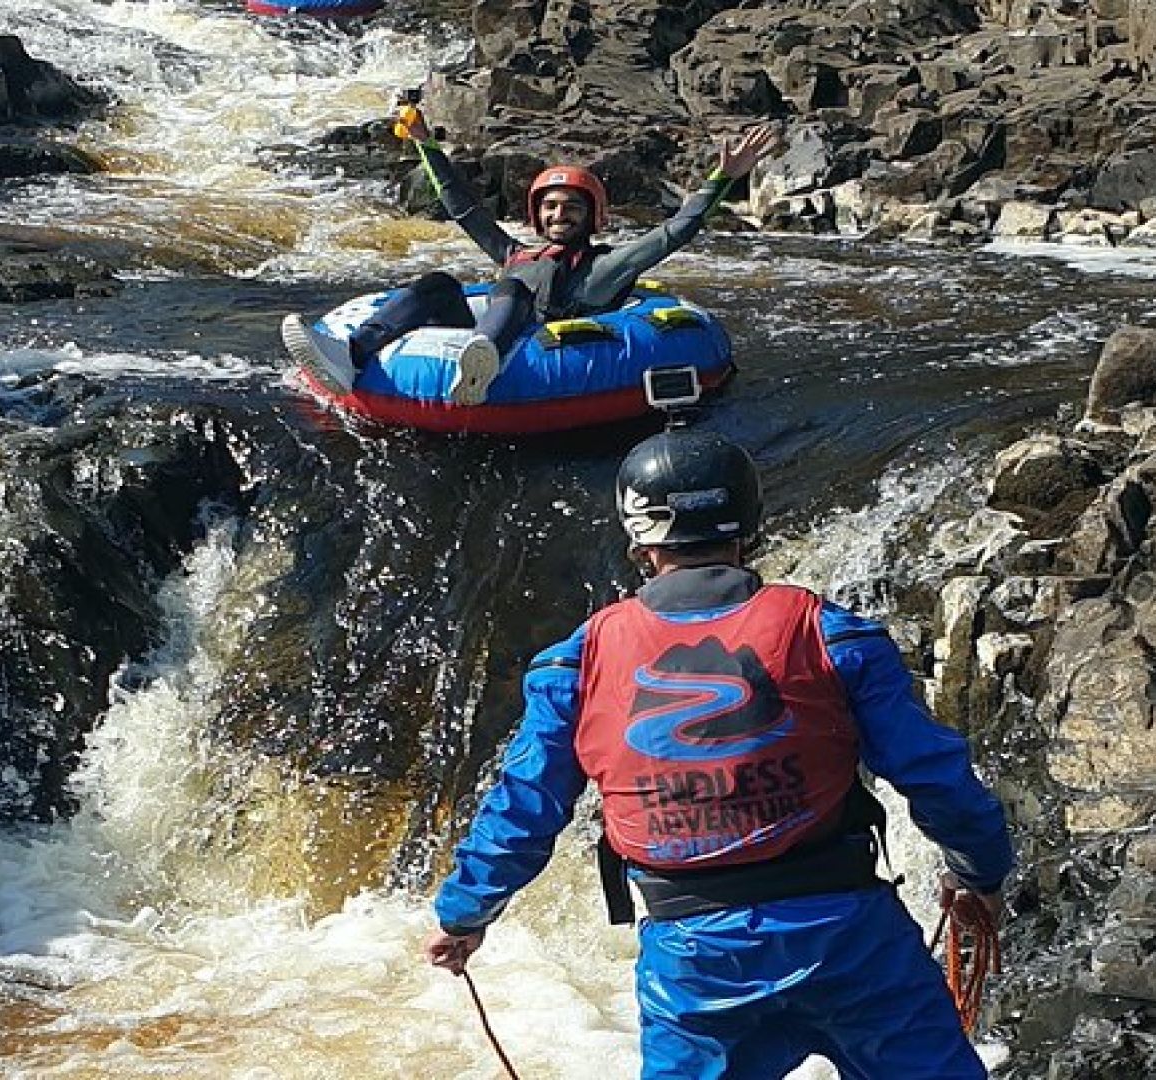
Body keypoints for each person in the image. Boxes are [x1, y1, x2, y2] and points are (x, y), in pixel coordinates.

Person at [422, 426, 1016, 1079]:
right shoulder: (833, 636)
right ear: (749, 525)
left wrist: (465, 914)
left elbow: (525, 805)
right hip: (851, 941)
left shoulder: (575, 664)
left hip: (696, 963)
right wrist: (977, 874)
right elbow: (933, 772)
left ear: (639, 540)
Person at [282, 114, 779, 406]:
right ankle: (352, 355)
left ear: (593, 218)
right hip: (490, 328)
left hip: (534, 346)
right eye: (551, 206)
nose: (560, 213)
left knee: (513, 290)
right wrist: (426, 145)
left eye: (572, 207)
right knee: (437, 283)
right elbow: (462, 207)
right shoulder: (515, 253)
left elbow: (674, 232)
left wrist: (721, 179)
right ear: (538, 216)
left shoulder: (603, 268)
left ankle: (482, 361)